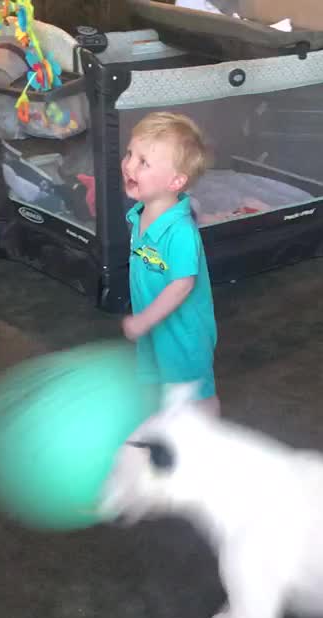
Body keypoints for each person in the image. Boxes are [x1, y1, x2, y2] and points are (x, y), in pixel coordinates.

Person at [120, 111, 220, 415]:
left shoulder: (179, 231)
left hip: (183, 332)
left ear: (176, 181)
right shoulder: (139, 213)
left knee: (195, 392)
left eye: (143, 162)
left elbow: (182, 285)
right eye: (130, 154)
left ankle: (210, 437)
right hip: (155, 328)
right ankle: (169, 434)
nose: (128, 165)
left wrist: (144, 319)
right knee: (161, 384)